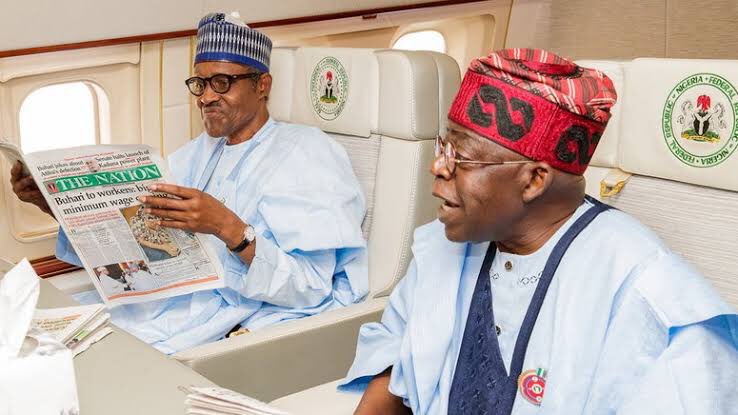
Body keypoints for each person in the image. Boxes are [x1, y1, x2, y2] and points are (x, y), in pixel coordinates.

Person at [340, 49, 738, 414]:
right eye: (443, 147)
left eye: (459, 157)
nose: (438, 168)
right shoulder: (444, 247)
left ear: (534, 181)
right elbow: (395, 362)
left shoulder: (650, 300)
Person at [9, 12, 368, 354]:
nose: (206, 97)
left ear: (262, 85)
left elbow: (311, 287)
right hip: (157, 298)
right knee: (23, 334)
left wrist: (228, 228)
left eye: (222, 83)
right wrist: (56, 204)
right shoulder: (195, 153)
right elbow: (137, 240)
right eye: (199, 83)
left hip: (215, 314)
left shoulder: (307, 152)